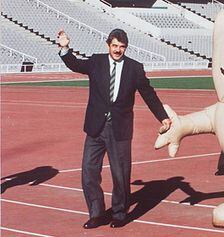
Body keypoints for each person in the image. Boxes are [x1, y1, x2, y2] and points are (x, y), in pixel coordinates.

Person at [57, 28, 171, 229]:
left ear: (126, 48)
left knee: (120, 175)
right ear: (108, 44)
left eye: (122, 47)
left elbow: (148, 93)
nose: (118, 50)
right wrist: (65, 48)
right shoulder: (96, 62)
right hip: (95, 127)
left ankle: (119, 214)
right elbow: (75, 64)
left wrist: (162, 117)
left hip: (120, 130)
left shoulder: (134, 68)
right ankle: (97, 214)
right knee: (89, 172)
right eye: (115, 46)